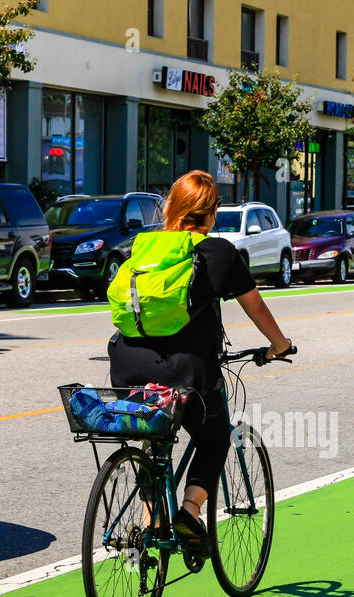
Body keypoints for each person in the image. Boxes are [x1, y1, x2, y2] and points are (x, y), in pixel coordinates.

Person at [108, 170, 292, 553]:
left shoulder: (141, 248)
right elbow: (254, 305)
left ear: (173, 207)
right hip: (188, 375)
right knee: (214, 438)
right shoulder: (219, 252)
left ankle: (150, 522)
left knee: (152, 442)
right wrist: (279, 345)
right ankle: (189, 512)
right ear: (211, 213)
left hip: (128, 367)